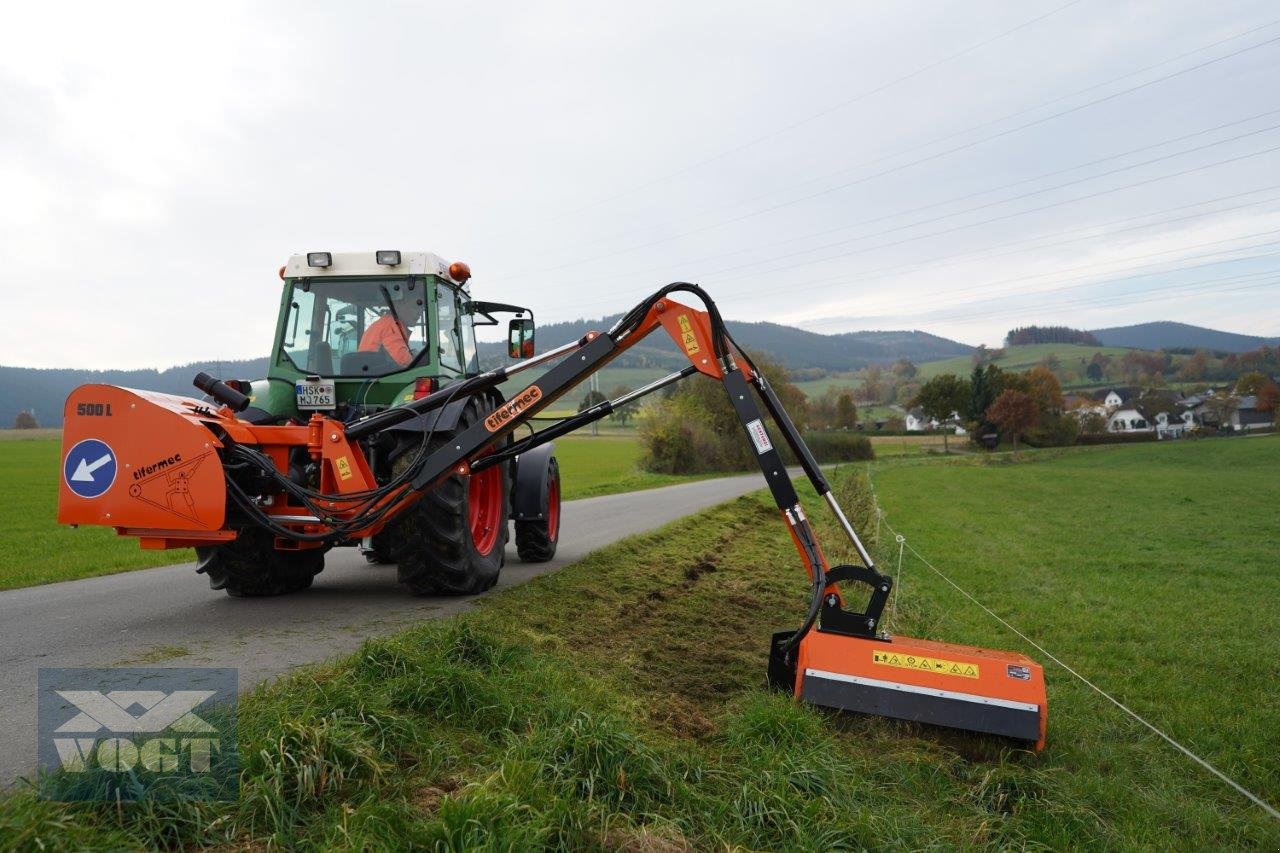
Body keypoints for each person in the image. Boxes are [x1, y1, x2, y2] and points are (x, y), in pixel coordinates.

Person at [358, 297, 418, 367]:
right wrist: (416, 357)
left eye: (421, 309)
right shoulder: (392, 324)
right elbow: (403, 361)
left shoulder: (386, 322)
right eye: (415, 308)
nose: (419, 313)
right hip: (377, 372)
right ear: (399, 306)